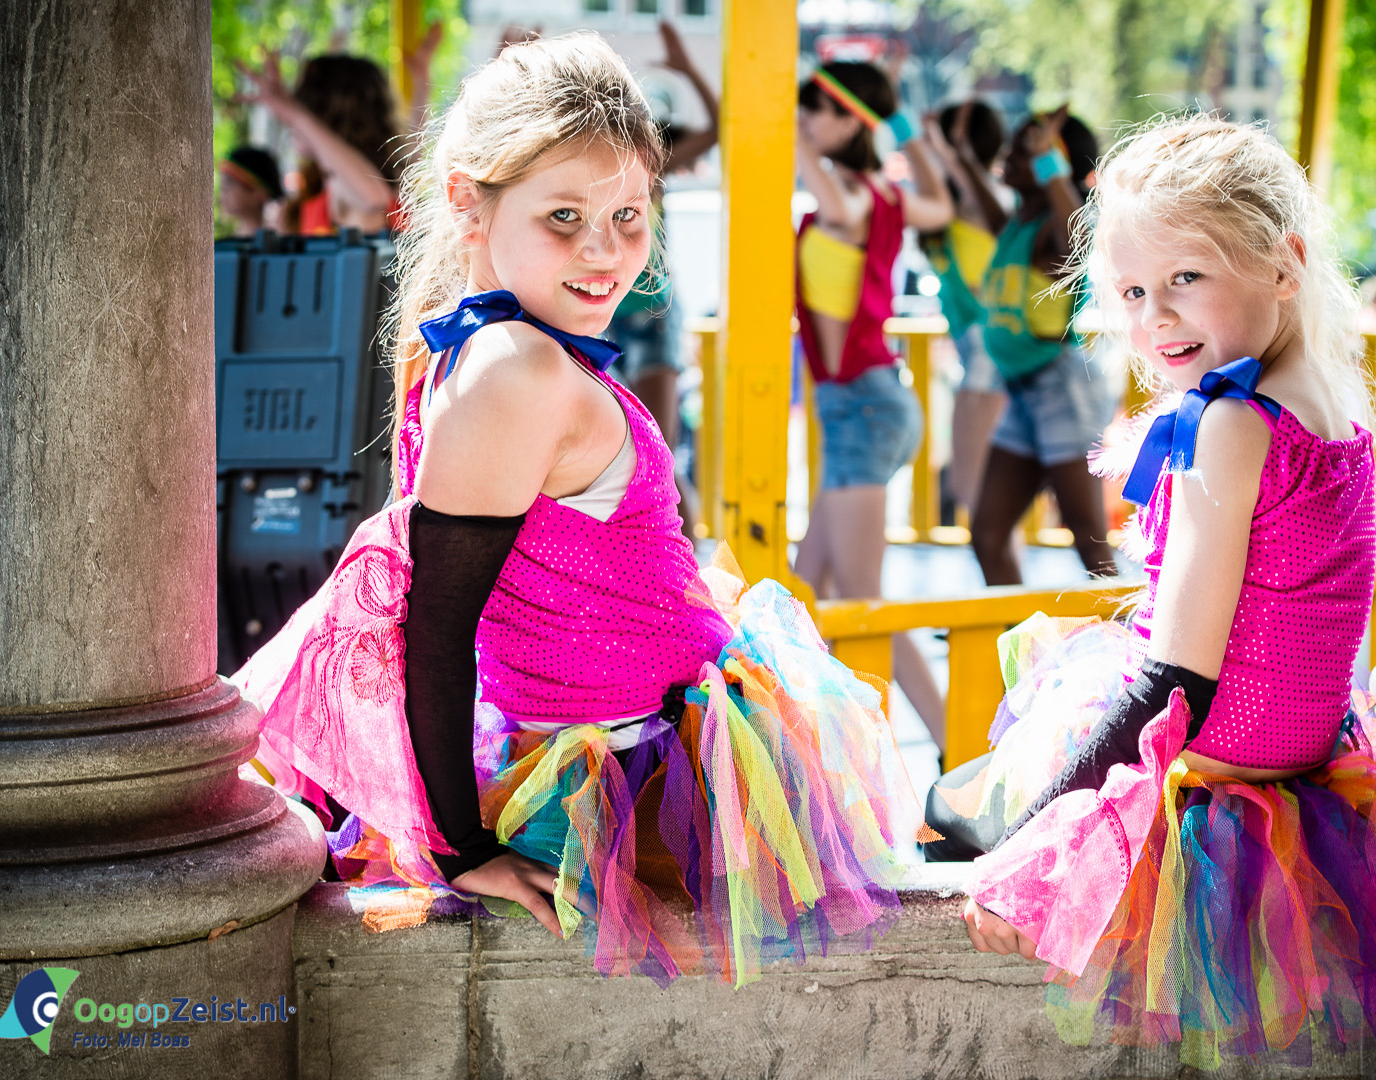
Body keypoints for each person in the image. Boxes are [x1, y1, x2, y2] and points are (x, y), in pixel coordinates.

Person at [232, 33, 918, 987]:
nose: (606, 255)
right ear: (468, 203)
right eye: (565, 217)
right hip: (622, 773)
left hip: (637, 739)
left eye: (628, 216)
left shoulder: (506, 347)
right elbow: (434, 628)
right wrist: (460, 846)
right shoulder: (516, 366)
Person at [923, 116, 1376, 1067]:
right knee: (1010, 742)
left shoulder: (1233, 422)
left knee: (960, 804)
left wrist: (1027, 857)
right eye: (1135, 292)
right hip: (1306, 755)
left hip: (1215, 754)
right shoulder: (1340, 402)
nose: (1155, 319)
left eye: (1186, 279)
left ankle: (976, 811)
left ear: (1285, 261)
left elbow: (1171, 681)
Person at [791, 60, 954, 746]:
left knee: (857, 600)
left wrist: (802, 135)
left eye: (817, 110)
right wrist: (905, 133)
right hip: (867, 401)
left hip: (860, 402)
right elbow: (940, 206)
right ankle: (807, 751)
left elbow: (835, 207)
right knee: (802, 596)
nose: (805, 121)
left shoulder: (853, 195)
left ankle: (961, 739)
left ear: (851, 117)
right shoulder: (882, 193)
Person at [969, 109, 1118, 583]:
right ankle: (1025, 653)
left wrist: (1046, 159)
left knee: (1090, 543)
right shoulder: (1017, 225)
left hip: (1059, 388)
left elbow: (1077, 225)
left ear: (1054, 160)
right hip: (1022, 391)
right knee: (988, 535)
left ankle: (1133, 653)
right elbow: (977, 190)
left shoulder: (1060, 232)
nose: (1011, 154)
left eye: (1026, 146)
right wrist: (951, 149)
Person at [605, 20, 718, 539]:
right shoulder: (584, 169)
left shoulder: (653, 165)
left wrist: (688, 70)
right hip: (596, 316)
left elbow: (721, 128)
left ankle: (688, 571)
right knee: (614, 462)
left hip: (649, 313)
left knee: (661, 456)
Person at [918, 101, 1008, 522]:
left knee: (977, 494)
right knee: (969, 490)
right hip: (974, 355)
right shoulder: (946, 206)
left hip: (992, 356)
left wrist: (948, 151)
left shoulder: (990, 203)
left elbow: (975, 196)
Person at [237, 51, 407, 235]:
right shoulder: (311, 201)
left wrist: (296, 114)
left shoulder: (378, 191)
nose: (288, 120)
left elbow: (374, 199)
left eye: (304, 105)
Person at [217, 146, 283, 237]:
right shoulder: (224, 245)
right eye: (222, 187)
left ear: (258, 193)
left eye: (228, 184)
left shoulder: (279, 244)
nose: (223, 193)